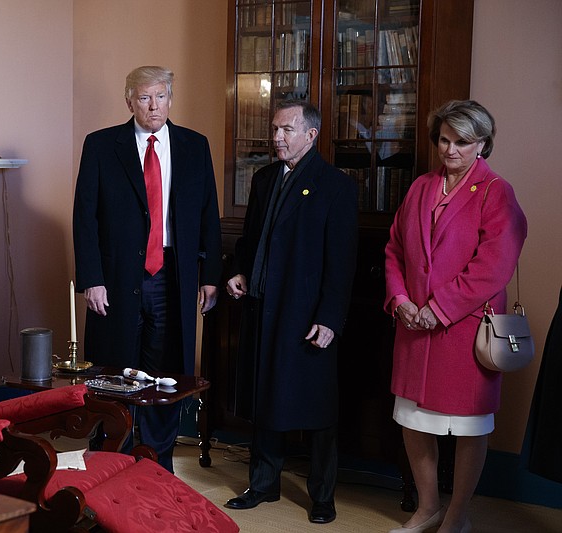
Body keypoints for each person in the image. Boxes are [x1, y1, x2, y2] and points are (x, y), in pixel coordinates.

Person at [384, 100, 527, 533]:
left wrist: (439, 308)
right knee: (413, 420)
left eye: (462, 142)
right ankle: (427, 507)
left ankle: (457, 515)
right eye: (444, 140)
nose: (450, 149)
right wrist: (401, 299)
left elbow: (494, 266)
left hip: (465, 331)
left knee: (468, 427)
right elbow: (393, 249)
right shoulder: (421, 187)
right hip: (413, 327)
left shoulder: (495, 191)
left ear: (482, 144)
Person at [72, 65, 222, 473]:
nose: (153, 106)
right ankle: (111, 457)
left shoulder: (194, 145)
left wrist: (210, 276)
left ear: (171, 99)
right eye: (143, 98)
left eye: (160, 97)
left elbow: (209, 213)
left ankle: (157, 461)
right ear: (129, 101)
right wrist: (92, 280)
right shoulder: (102, 145)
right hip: (117, 277)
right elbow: (85, 216)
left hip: (172, 275)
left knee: (164, 373)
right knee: (115, 365)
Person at [225, 99, 358, 525]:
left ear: (310, 135)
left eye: (286, 130)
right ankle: (263, 485)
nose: (277, 137)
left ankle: (323, 496)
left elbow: (342, 261)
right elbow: (249, 240)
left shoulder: (335, 185)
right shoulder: (264, 179)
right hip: (263, 306)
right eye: (275, 129)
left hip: (306, 315)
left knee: (317, 407)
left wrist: (329, 318)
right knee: (265, 397)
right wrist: (237, 271)